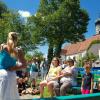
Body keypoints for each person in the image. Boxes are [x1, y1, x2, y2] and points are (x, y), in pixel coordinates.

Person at [0, 32, 27, 100]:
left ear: (8, 38)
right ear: (17, 40)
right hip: (10, 75)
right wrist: (14, 67)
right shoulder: (19, 50)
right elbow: (24, 65)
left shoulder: (3, 46)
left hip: (2, 74)